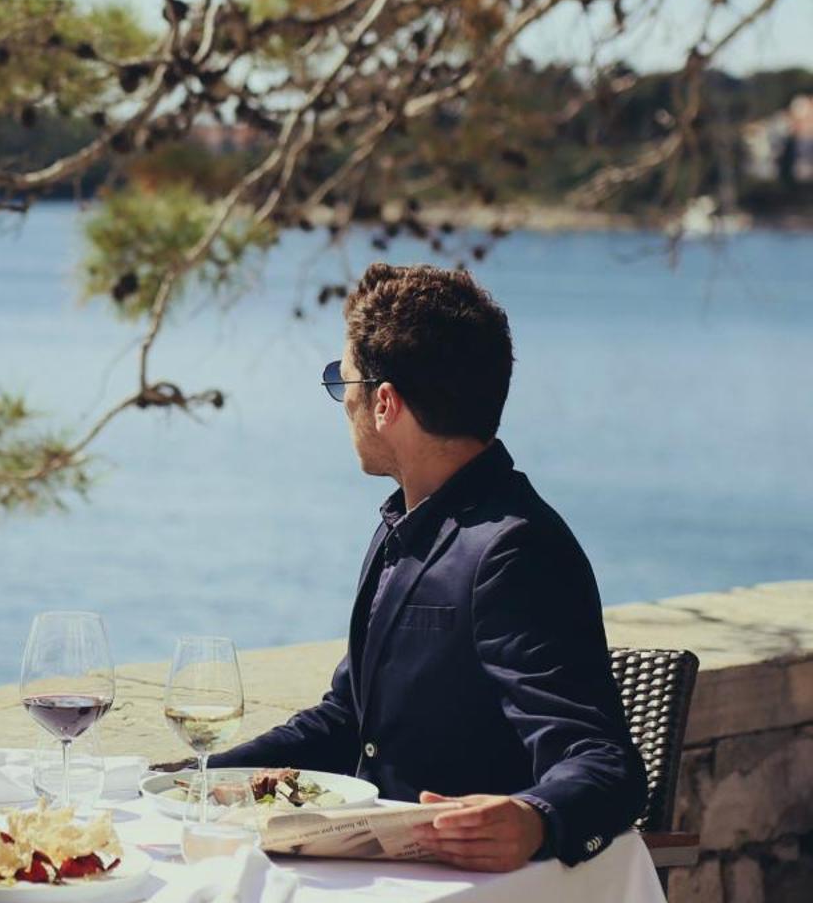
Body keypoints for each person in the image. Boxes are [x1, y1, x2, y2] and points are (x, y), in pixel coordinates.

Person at [213, 263, 646, 872]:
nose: (346, 402)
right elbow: (348, 720)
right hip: (362, 876)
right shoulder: (404, 524)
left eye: (347, 381)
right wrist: (200, 779)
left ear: (384, 401)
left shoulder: (515, 550)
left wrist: (535, 819)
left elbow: (605, 763)